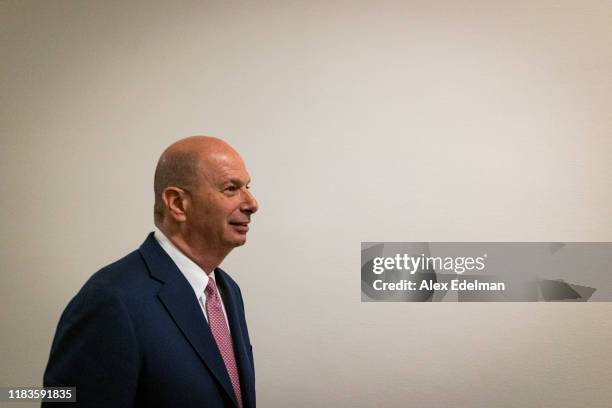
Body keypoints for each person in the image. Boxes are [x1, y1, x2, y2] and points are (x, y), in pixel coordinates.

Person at [43, 136, 259, 407]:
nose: (252, 203)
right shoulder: (110, 301)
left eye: (247, 187)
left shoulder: (227, 291)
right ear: (178, 204)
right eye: (231, 189)